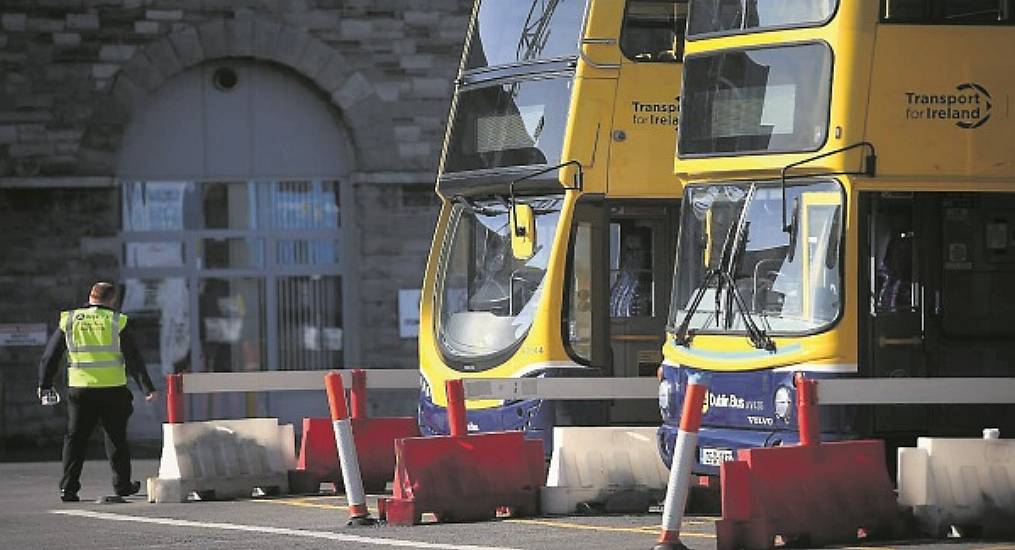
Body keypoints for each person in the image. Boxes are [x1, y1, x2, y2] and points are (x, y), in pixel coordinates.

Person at [37, 282, 157, 502]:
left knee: (75, 439)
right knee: (116, 438)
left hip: (80, 390)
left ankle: (68, 488)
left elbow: (50, 356)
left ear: (90, 296)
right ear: (112, 299)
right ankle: (122, 485)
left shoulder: (70, 320)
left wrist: (45, 384)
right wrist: (147, 387)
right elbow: (133, 358)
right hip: (113, 390)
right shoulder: (117, 321)